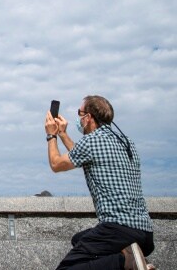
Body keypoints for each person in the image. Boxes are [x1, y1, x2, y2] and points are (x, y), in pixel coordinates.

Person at [45, 95, 155, 270]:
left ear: (88, 118)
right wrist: (64, 134)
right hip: (145, 234)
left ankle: (127, 263)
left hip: (118, 229)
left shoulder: (92, 141)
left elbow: (56, 164)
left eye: (79, 113)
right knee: (79, 239)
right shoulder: (126, 142)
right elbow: (83, 156)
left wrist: (51, 135)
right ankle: (135, 261)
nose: (78, 119)